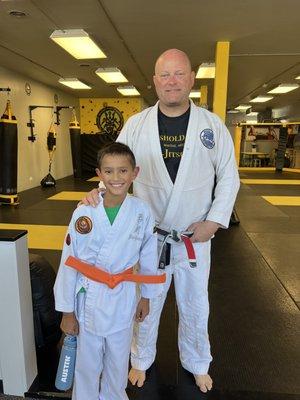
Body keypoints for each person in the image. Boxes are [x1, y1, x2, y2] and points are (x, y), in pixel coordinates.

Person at [82, 49, 240, 393]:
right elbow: (116, 166)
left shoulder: (212, 126)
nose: (172, 82)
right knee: (145, 302)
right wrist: (98, 193)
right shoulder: (136, 125)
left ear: (191, 79)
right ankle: (140, 359)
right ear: (154, 81)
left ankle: (197, 363)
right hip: (148, 238)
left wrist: (213, 222)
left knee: (196, 305)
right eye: (164, 75)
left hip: (194, 238)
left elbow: (229, 177)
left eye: (179, 74)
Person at [54, 142, 165, 400]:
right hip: (88, 298)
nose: (116, 178)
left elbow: (148, 259)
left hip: (124, 295)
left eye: (123, 171)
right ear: (99, 174)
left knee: (118, 359)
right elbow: (69, 262)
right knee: (87, 363)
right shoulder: (85, 212)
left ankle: (114, 396)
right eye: (109, 171)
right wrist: (67, 312)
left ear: (134, 173)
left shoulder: (141, 212)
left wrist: (146, 297)